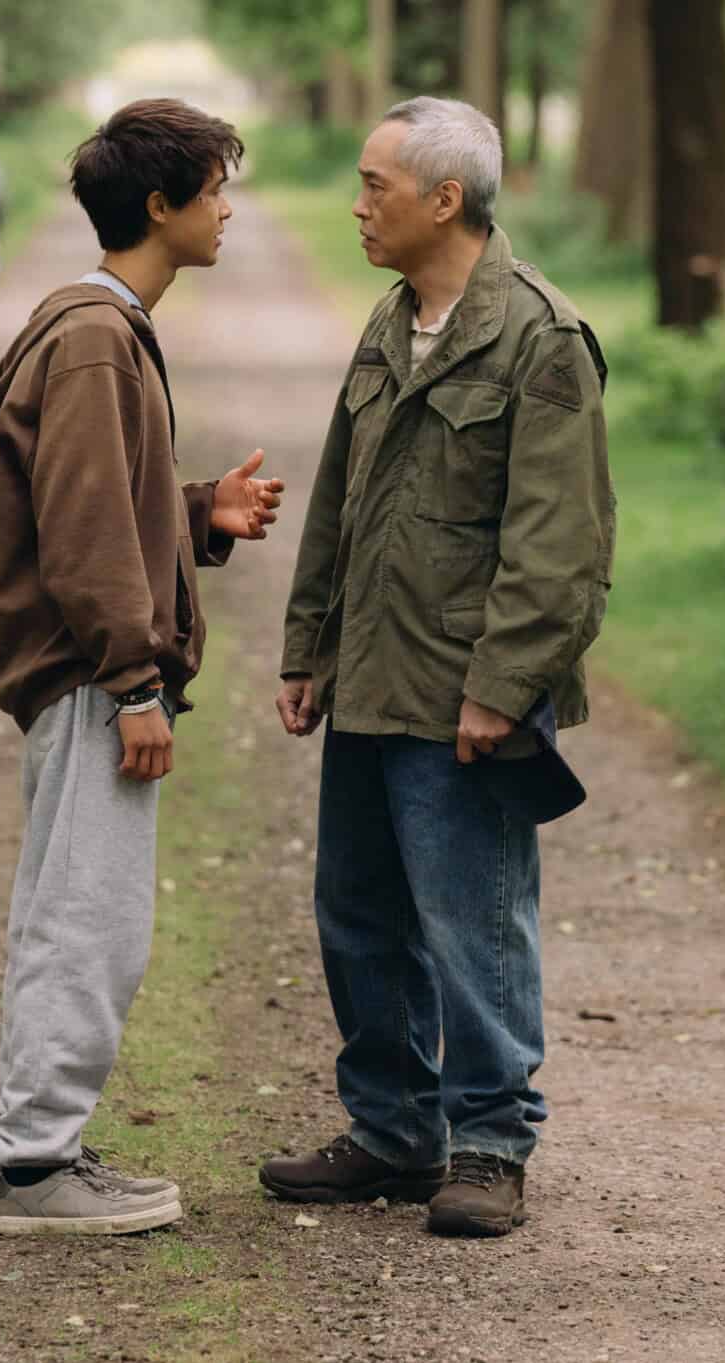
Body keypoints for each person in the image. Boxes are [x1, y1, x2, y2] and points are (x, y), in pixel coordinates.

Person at [261, 96, 614, 1238]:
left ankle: (488, 1146)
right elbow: (338, 500)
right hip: (368, 673)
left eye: (373, 185)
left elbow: (558, 549)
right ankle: (393, 1134)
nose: (355, 203)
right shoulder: (388, 319)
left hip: (463, 691)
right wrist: (307, 642)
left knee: (473, 922)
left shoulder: (539, 340)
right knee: (356, 915)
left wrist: (500, 689)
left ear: (443, 200)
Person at [0, 99, 284, 1236]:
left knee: (75, 909)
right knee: (88, 917)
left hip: (79, 673)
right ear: (158, 206)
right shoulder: (98, 337)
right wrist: (134, 683)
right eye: (212, 191)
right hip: (87, 677)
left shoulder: (93, 325)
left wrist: (202, 510)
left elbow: (108, 497)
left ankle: (38, 1148)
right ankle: (36, 1166)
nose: (226, 210)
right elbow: (88, 530)